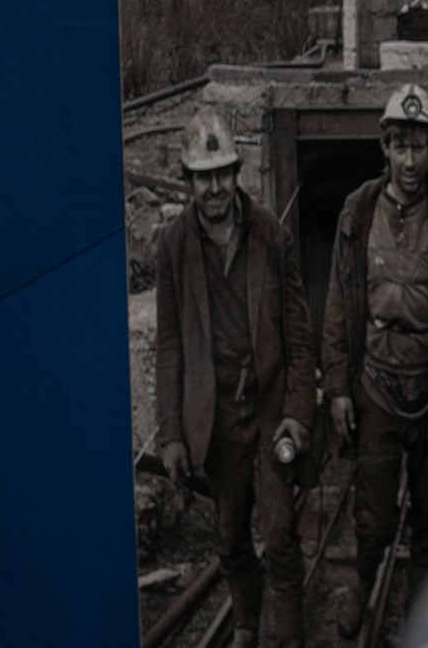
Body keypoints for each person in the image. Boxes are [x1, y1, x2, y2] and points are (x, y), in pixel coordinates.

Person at [150, 110, 314, 648]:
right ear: (188, 179)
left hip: (266, 410)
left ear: (238, 171)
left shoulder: (271, 234)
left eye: (223, 173)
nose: (215, 187)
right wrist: (172, 433)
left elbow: (297, 333)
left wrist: (296, 413)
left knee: (282, 535)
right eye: (203, 176)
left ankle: (286, 637)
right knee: (230, 538)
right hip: (216, 421)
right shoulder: (174, 247)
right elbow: (170, 343)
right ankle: (246, 622)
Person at [321, 84, 428, 635]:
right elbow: (339, 302)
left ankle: (421, 615)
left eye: (420, 147)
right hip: (377, 386)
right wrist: (338, 387)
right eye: (400, 146)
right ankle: (361, 585)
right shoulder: (358, 211)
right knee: (374, 515)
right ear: (384, 148)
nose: (410, 160)